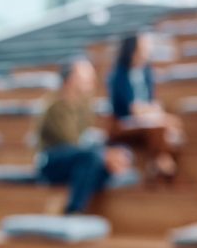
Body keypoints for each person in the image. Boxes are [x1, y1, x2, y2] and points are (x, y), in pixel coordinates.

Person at [36, 58, 132, 214]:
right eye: (86, 76)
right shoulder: (55, 106)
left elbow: (86, 139)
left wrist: (108, 155)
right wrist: (104, 155)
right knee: (93, 158)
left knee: (112, 158)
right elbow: (71, 142)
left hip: (77, 160)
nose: (91, 80)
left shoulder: (84, 106)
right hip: (51, 161)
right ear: (71, 79)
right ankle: (74, 210)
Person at [107, 33, 182, 181]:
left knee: (169, 124)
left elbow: (152, 102)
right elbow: (133, 108)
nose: (148, 50)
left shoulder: (147, 71)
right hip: (124, 123)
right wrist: (152, 112)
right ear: (134, 49)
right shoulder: (118, 75)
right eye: (144, 47)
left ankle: (159, 163)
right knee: (158, 128)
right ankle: (163, 163)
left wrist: (155, 113)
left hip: (147, 120)